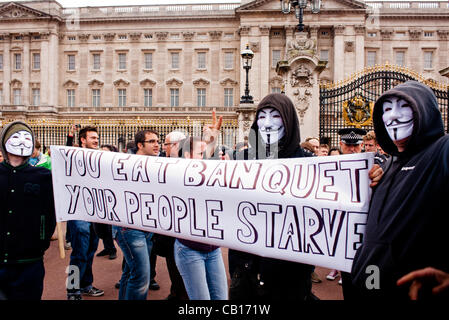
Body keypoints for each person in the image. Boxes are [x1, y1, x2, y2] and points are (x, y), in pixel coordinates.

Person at [349, 80, 449, 300]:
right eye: (386, 109)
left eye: (404, 106)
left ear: (424, 110)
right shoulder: (387, 166)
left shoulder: (442, 150)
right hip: (370, 282)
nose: (392, 116)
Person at [229, 93, 316, 301]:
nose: (267, 124)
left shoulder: (310, 163)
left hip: (290, 272)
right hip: (246, 268)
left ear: (288, 119)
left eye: (275, 116)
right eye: (262, 116)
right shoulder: (242, 159)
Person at [0, 121, 56, 300]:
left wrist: (42, 241)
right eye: (16, 137)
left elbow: (51, 213)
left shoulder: (44, 176)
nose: (22, 142)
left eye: (27, 138)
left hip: (29, 260)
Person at [173, 136, 228, 300]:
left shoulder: (213, 174)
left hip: (213, 249)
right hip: (189, 249)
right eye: (202, 153)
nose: (208, 157)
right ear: (188, 155)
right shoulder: (177, 176)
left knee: (221, 298)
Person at [112, 129, 159, 300]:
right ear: (140, 145)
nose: (157, 144)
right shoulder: (125, 164)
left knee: (130, 272)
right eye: (152, 141)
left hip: (146, 226)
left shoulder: (157, 164)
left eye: (157, 141)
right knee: (141, 277)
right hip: (129, 228)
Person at [66, 126, 104, 300]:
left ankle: (86, 284)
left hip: (94, 211)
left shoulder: (99, 157)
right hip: (78, 211)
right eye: (92, 138)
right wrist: (70, 136)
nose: (96, 140)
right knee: (79, 253)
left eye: (97, 138)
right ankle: (72, 289)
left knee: (90, 251)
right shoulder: (73, 156)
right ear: (83, 140)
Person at [154, 130, 189, 300]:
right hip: (170, 227)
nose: (163, 147)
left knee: (179, 270)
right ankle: (176, 293)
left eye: (166, 144)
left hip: (179, 228)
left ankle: (179, 295)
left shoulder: (184, 164)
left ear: (175, 145)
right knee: (175, 268)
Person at [93, 145, 118, 260]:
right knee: (99, 229)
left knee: (107, 228)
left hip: (109, 201)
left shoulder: (113, 166)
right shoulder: (96, 165)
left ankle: (112, 249)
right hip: (98, 200)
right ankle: (107, 247)